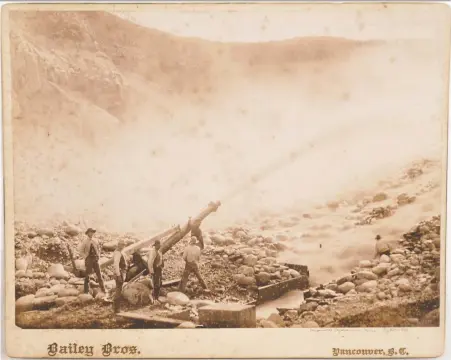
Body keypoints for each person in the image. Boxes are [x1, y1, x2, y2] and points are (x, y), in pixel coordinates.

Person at [78, 228, 106, 294]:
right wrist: (86, 257)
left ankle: (103, 289)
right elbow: (81, 251)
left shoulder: (95, 240)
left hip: (95, 259)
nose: (91, 233)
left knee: (99, 274)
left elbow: (98, 249)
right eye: (90, 232)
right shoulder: (84, 241)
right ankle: (86, 291)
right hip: (89, 260)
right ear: (87, 233)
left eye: (92, 232)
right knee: (88, 275)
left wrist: (98, 256)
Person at [112, 239, 128, 313]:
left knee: (118, 289)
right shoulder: (118, 253)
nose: (123, 246)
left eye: (124, 245)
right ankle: (116, 309)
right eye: (122, 245)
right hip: (120, 273)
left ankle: (116, 308)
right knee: (118, 290)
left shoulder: (119, 252)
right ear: (119, 245)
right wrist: (118, 275)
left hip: (121, 272)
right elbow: (116, 265)